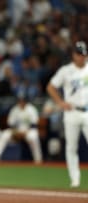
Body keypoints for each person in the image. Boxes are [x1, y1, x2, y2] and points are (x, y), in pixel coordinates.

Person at [46, 41, 88, 188]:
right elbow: (51, 87)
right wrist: (60, 102)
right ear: (74, 55)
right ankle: (75, 179)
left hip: (87, 112)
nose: (81, 57)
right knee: (71, 147)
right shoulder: (66, 70)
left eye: (83, 54)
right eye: (79, 54)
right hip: (71, 112)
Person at [0, 92, 42, 164]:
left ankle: (38, 160)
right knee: (4, 135)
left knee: (33, 137)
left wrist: (25, 132)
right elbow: (10, 124)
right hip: (16, 131)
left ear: (26, 100)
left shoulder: (31, 109)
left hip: (28, 131)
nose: (21, 102)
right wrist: (15, 132)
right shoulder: (15, 109)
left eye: (23, 100)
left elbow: (34, 124)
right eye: (20, 100)